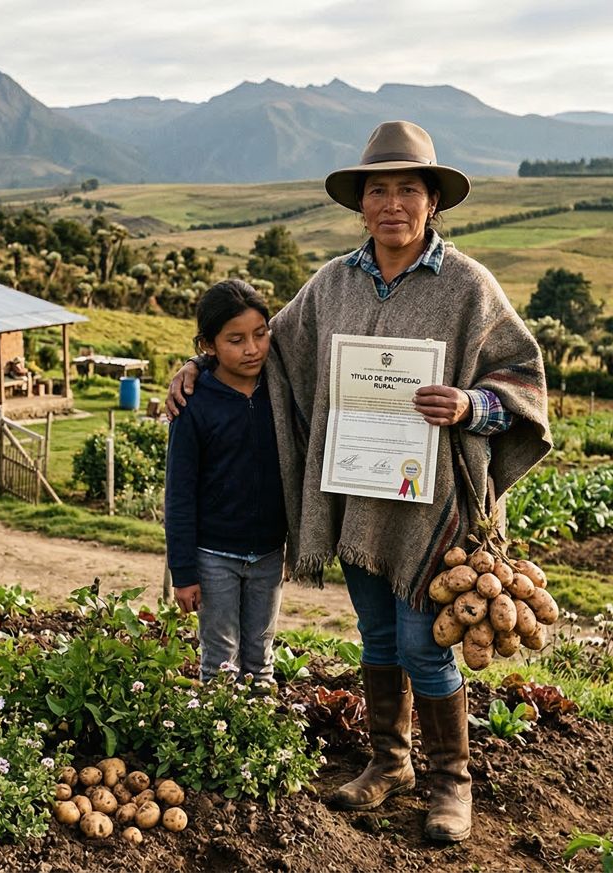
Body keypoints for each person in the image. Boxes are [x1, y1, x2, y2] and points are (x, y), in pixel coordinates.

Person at [168, 121, 551, 842]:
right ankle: (390, 762)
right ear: (361, 203)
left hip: (431, 502)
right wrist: (196, 370)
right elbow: (265, 351)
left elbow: (522, 382)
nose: (393, 204)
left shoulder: (468, 286)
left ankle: (451, 782)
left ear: (433, 200)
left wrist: (472, 404)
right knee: (377, 634)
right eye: (379, 189)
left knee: (423, 641)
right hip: (355, 497)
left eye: (409, 188)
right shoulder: (333, 285)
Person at [164, 279, 287, 685]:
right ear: (209, 345)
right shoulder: (193, 405)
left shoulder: (281, 390)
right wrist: (183, 572)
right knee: (220, 661)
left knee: (261, 658)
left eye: (260, 334)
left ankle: (259, 741)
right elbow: (179, 495)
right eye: (235, 339)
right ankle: (221, 739)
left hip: (269, 552)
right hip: (214, 555)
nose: (252, 348)